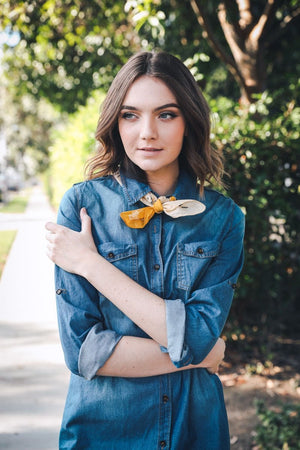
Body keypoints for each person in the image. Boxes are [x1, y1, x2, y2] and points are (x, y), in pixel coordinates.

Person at [45, 50, 244, 450]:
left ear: (189, 121)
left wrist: (91, 264)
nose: (147, 132)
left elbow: (198, 338)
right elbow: (83, 352)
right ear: (115, 123)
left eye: (166, 114)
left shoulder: (224, 218)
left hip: (196, 431)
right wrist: (199, 351)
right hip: (103, 434)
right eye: (130, 115)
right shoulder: (83, 209)